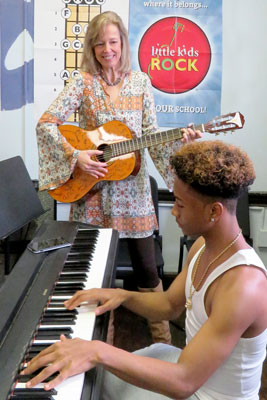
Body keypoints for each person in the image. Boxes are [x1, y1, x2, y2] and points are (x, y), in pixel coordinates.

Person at [23, 140, 267, 399]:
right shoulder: (201, 247)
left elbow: (184, 382)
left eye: (180, 204)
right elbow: (168, 305)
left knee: (95, 371)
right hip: (189, 369)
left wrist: (97, 350)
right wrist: (122, 296)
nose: (173, 211)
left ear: (214, 212)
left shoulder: (245, 286)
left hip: (203, 391)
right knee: (90, 377)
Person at [36, 10, 201, 344]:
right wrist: (76, 156)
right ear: (92, 48)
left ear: (123, 43)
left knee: (147, 271)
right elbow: (46, 123)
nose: (106, 49)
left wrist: (180, 148)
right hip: (93, 195)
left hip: (135, 195)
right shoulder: (82, 83)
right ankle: (98, 351)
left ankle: (164, 347)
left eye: (112, 42)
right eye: (99, 44)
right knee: (97, 274)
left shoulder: (141, 82)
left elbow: (152, 136)